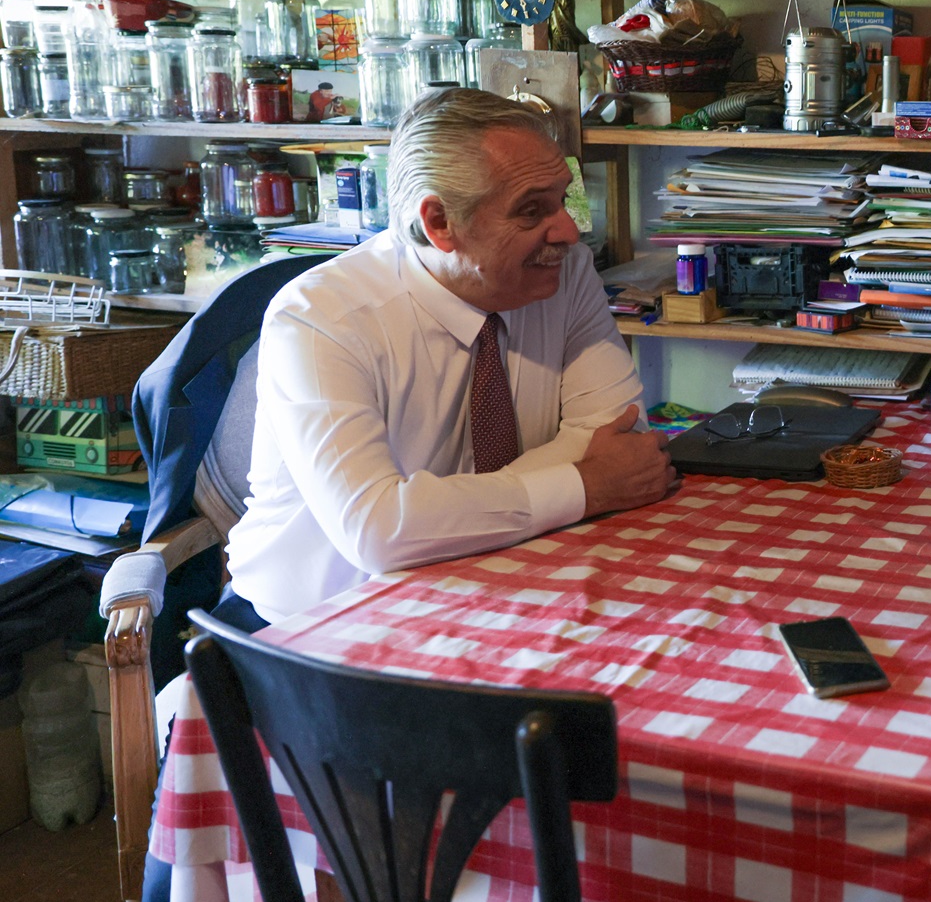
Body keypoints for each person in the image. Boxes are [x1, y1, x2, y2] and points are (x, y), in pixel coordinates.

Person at [223, 87, 674, 624]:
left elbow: (618, 438)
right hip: (318, 626)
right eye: (533, 210)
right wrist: (586, 484)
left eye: (562, 199)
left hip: (499, 589)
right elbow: (377, 532)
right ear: (440, 223)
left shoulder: (565, 273)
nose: (569, 232)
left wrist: (439, 517)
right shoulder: (320, 318)